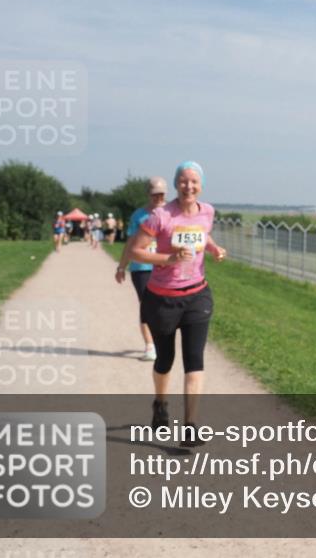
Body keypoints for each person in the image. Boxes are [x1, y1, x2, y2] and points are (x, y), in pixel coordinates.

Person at [128, 161, 226, 444]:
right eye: (183, 181)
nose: (189, 186)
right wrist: (167, 259)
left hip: (197, 295)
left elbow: (202, 233)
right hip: (162, 298)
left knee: (194, 360)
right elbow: (136, 251)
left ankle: (190, 426)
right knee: (165, 359)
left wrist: (214, 248)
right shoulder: (161, 216)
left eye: (194, 181)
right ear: (176, 184)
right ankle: (160, 403)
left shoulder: (207, 211)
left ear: (201, 185)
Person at [115, 177, 168, 361]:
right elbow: (130, 243)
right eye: (155, 195)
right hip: (142, 268)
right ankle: (150, 346)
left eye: (161, 195)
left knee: (164, 307)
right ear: (148, 194)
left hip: (165, 266)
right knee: (146, 307)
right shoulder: (138, 216)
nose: (158, 198)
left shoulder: (172, 213)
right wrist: (122, 266)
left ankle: (162, 342)